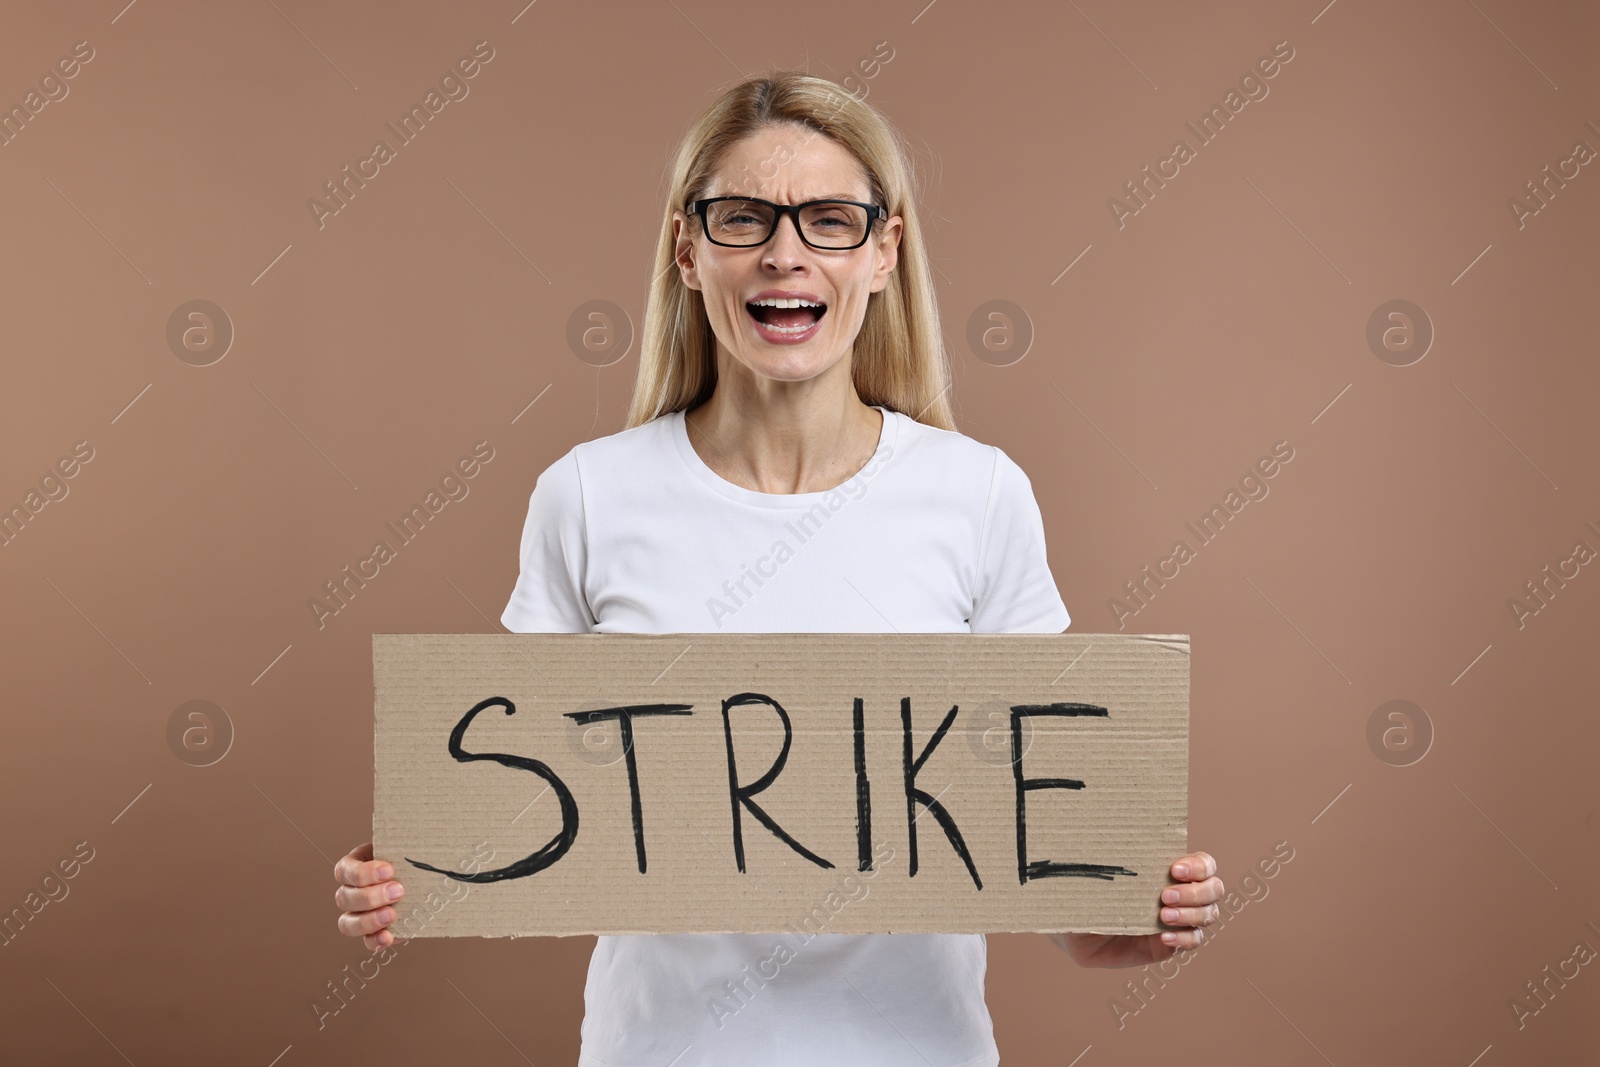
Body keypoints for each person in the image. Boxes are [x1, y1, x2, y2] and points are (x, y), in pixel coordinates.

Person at [334, 69, 1222, 1065]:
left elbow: (1033, 842)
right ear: (686, 248)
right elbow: (513, 810)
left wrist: (1124, 919)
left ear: (884, 252)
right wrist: (415, 864)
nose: (783, 254)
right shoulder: (587, 495)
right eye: (742, 218)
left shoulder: (979, 495)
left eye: (828, 219)